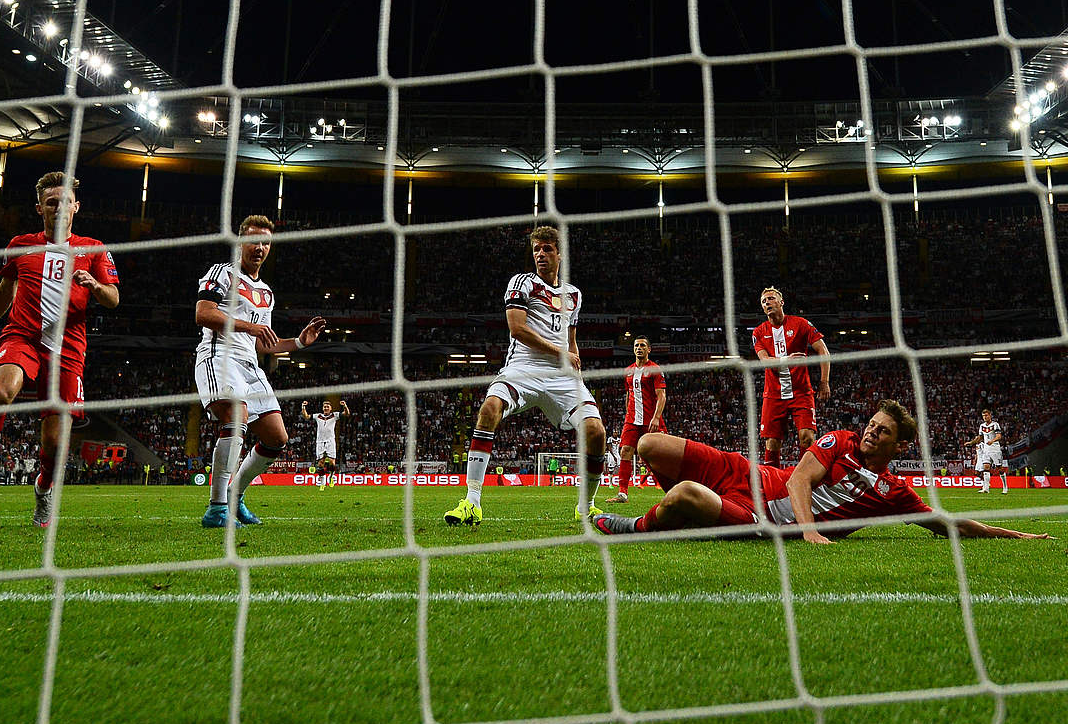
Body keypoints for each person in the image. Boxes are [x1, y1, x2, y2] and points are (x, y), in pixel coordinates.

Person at [0, 171, 120, 526]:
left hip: (68, 348)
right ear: (39, 208)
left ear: (76, 207)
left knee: (55, 441)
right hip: (21, 336)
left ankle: (44, 489)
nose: (59, 208)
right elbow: (4, 291)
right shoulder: (21, 244)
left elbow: (113, 299)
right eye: (51, 202)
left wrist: (94, 284)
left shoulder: (93, 248)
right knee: (1, 391)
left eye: (65, 201)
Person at [593, 400, 1052, 543]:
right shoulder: (840, 440)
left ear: (898, 445)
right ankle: (687, 516)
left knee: (686, 494)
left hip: (763, 519)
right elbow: (796, 479)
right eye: (872, 425)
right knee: (650, 444)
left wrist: (1015, 535)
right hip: (752, 475)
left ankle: (637, 526)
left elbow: (948, 525)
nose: (871, 433)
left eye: (883, 432)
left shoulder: (894, 493)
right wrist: (812, 533)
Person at [444, 226, 607, 525]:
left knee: (596, 432)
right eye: (536, 250)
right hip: (524, 366)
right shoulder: (522, 283)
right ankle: (471, 502)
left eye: (547, 249)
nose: (540, 255)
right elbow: (517, 329)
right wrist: (560, 353)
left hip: (561, 376)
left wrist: (574, 359)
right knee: (489, 409)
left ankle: (587, 505)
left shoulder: (573, 294)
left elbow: (570, 339)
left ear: (560, 253)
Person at [195, 215, 326, 528]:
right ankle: (216, 510)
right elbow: (203, 314)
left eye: (266, 242)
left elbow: (264, 344)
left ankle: (235, 496)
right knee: (237, 418)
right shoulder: (222, 273)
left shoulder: (266, 292)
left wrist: (298, 342)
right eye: (254, 240)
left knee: (276, 437)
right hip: (219, 355)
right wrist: (249, 326)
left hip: (250, 365)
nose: (260, 247)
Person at [752, 287, 830, 467]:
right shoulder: (758, 332)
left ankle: (805, 480)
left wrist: (824, 382)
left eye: (771, 299)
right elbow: (764, 361)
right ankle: (772, 486)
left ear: (781, 302)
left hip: (801, 392)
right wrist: (787, 359)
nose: (767, 303)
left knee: (807, 437)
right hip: (773, 395)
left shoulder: (801, 324)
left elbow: (823, 350)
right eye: (764, 301)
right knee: (772, 442)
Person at [606, 336, 665, 503]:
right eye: (636, 345)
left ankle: (672, 488)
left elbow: (662, 396)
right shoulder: (628, 371)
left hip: (650, 420)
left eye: (642, 345)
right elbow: (628, 394)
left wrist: (656, 418)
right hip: (631, 420)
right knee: (625, 451)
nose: (639, 348)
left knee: (660, 455)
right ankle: (622, 493)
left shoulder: (654, 369)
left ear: (649, 349)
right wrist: (628, 413)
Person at [302, 399, 350, 487]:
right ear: (322, 408)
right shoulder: (318, 416)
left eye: (328, 407)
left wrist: (345, 406)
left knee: (332, 462)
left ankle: (331, 476)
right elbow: (306, 416)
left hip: (330, 441)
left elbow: (346, 414)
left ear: (331, 408)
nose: (326, 408)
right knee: (320, 463)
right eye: (325, 407)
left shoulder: (334, 415)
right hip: (320, 441)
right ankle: (322, 480)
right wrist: (303, 407)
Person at [965, 409, 1009, 495]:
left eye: (986, 415)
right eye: (983, 416)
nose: (985, 417)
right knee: (986, 467)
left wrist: (992, 440)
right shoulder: (982, 426)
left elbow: (999, 436)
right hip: (986, 449)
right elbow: (980, 437)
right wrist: (971, 443)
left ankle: (1005, 487)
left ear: (990, 415)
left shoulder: (995, 424)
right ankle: (986, 488)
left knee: (999, 468)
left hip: (995, 449)